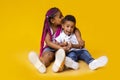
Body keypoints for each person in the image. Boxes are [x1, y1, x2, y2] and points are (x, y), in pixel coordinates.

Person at [28, 7, 80, 73]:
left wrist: (79, 39)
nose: (63, 17)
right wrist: (60, 47)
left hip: (61, 47)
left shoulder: (63, 25)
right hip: (51, 48)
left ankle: (58, 63)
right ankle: (41, 64)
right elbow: (48, 42)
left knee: (61, 53)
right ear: (53, 20)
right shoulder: (49, 30)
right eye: (60, 16)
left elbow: (75, 29)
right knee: (48, 56)